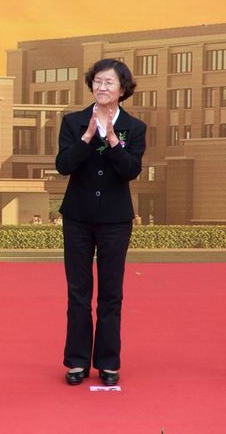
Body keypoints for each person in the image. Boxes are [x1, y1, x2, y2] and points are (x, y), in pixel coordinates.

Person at [55, 59, 146, 387]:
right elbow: (63, 165)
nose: (102, 87)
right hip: (77, 217)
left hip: (115, 220)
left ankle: (108, 362)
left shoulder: (134, 127)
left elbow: (131, 170)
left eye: (109, 82)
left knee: (111, 293)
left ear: (123, 89)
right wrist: (87, 137)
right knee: (78, 292)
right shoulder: (73, 121)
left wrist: (112, 141)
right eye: (97, 81)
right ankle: (77, 361)